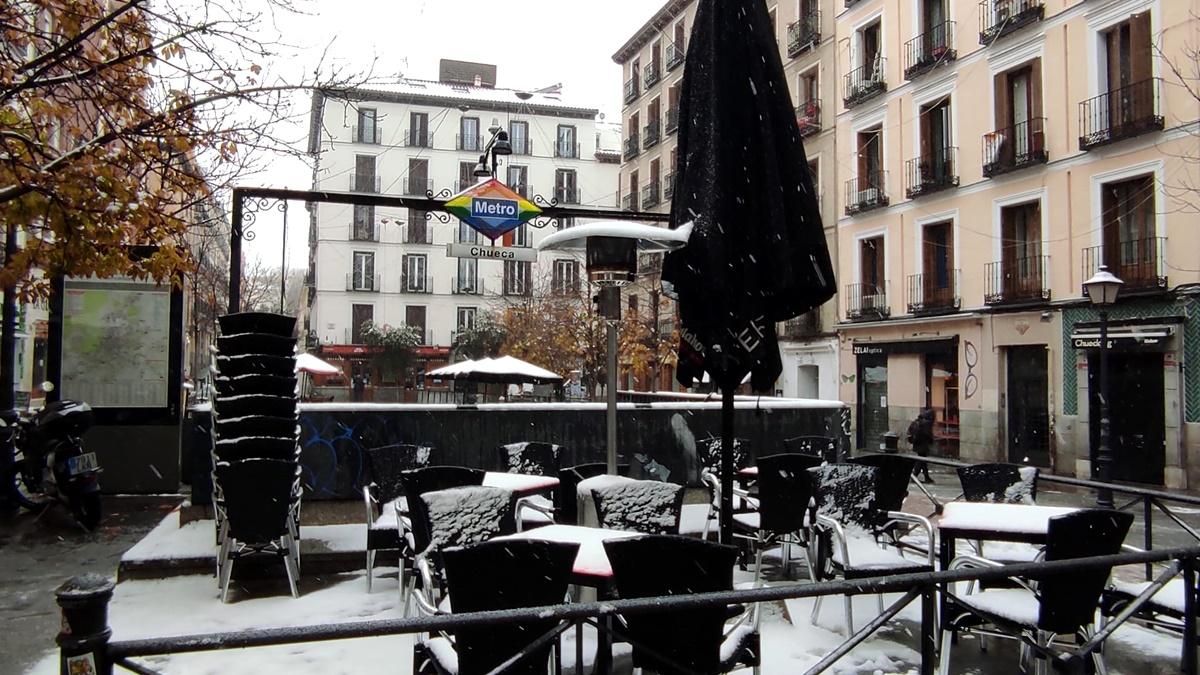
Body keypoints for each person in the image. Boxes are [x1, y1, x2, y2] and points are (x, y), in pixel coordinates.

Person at [907, 408, 935, 483]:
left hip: (917, 443)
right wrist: (931, 440)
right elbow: (927, 434)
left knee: (923, 460)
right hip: (922, 444)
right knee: (921, 460)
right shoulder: (926, 423)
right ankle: (914, 476)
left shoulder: (918, 421)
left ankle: (926, 477)